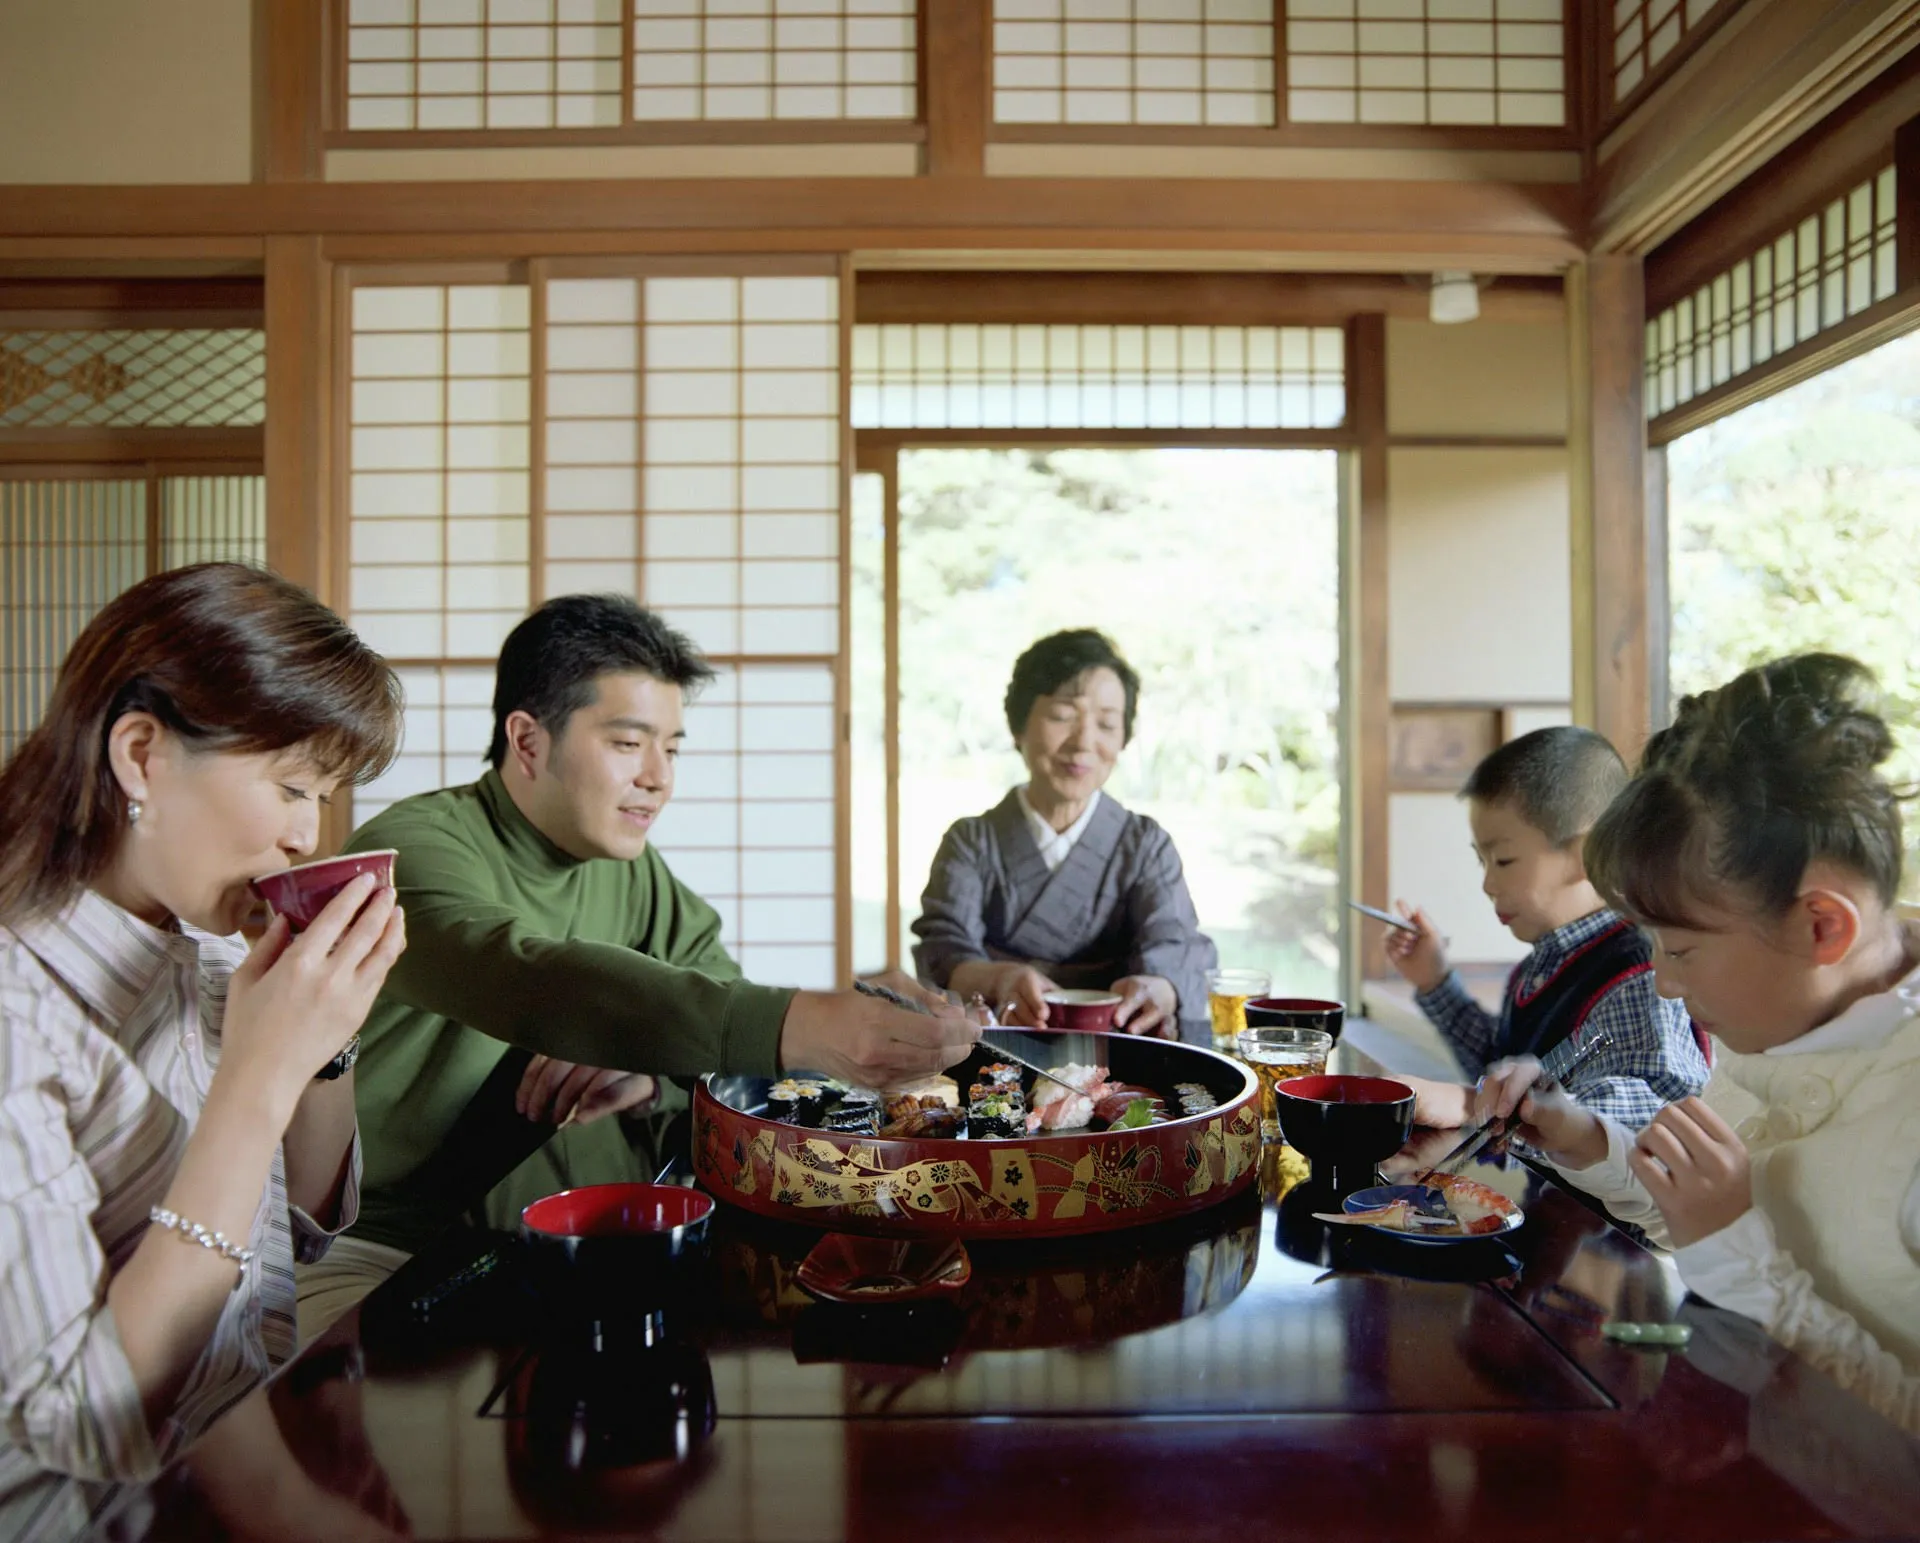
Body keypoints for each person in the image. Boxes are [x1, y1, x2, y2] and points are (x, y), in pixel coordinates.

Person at [306, 595, 975, 1317]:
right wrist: (806, 1024)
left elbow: (723, 1033)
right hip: (396, 1254)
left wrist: (651, 1074)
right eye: (628, 744)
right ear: (528, 741)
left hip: (597, 1244)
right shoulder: (420, 851)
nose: (659, 776)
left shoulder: (634, 872)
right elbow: (529, 975)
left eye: (673, 747)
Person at [0, 564, 407, 1515]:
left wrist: (324, 1039)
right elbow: (86, 1422)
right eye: (294, 786)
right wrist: (258, 1076)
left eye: (327, 797)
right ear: (141, 754)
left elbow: (305, 1228)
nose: (310, 835)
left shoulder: (210, 954)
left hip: (234, 1464)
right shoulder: (17, 1014)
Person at [1474, 654, 1919, 1433]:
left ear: (1822, 925)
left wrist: (1732, 1245)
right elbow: (1711, 1219)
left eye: (1678, 951)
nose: (1665, 985)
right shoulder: (1776, 1026)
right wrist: (1591, 1136)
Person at [1380, 726, 1709, 1129]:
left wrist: (1484, 1106)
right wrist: (1434, 982)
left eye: (1502, 861)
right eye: (1481, 862)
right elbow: (1496, 1071)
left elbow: (1659, 1106)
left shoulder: (1638, 971)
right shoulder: (1540, 968)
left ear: (1585, 855)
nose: (1487, 884)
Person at [912, 629, 1217, 1041]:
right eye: (1061, 717)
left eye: (1107, 723)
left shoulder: (1144, 844)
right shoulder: (972, 841)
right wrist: (1002, 979)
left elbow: (1173, 943)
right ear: (1019, 725)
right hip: (1000, 1052)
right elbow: (945, 951)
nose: (1084, 743)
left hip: (1119, 1055)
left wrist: (1158, 986)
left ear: (1123, 738)